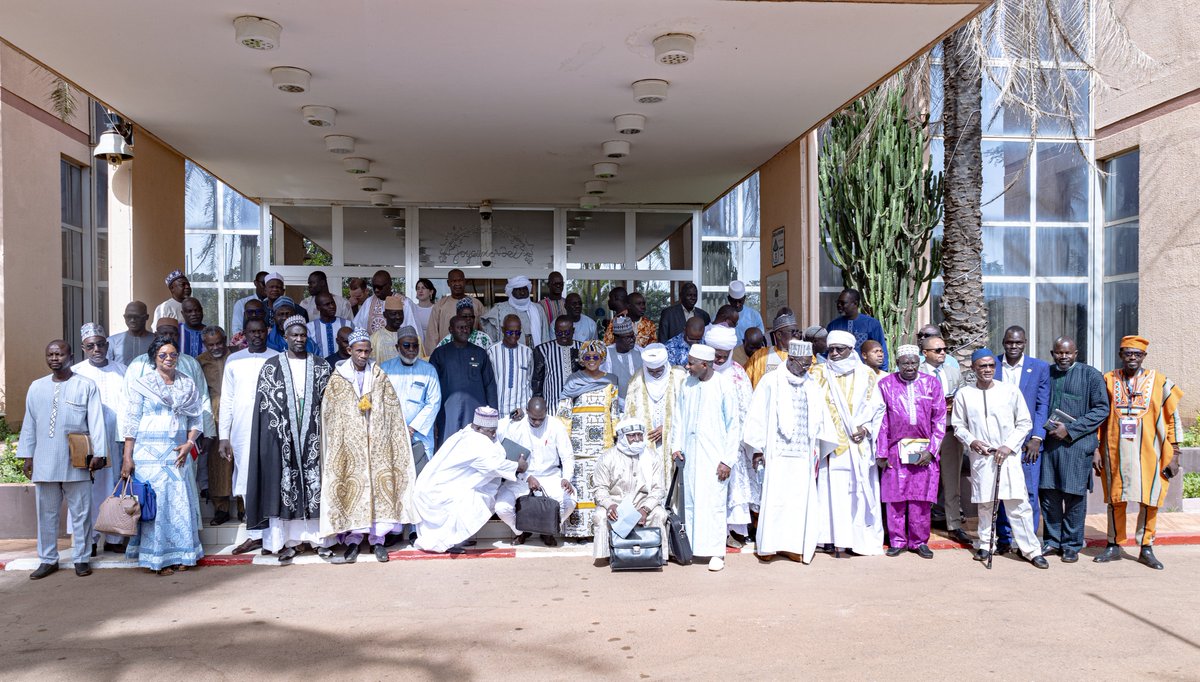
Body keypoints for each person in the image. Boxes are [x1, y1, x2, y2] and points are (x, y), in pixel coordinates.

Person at [320, 329, 419, 563]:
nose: (363, 355)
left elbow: (392, 411)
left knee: (377, 489)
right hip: (349, 446)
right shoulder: (338, 378)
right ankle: (353, 542)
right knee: (351, 486)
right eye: (359, 351)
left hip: (376, 445)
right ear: (349, 351)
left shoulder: (379, 376)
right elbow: (330, 414)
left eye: (367, 351)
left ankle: (377, 541)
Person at [245, 316, 333, 563]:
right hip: (282, 438)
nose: (298, 339)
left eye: (302, 335)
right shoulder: (271, 366)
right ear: (285, 337)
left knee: (316, 484)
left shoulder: (321, 366)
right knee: (285, 486)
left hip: (314, 436)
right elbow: (264, 409)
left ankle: (319, 540)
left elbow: (331, 404)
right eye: (293, 335)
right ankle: (288, 542)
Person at [744, 340, 840, 565]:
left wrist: (818, 448)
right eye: (803, 364)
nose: (806, 369)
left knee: (798, 503)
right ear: (791, 359)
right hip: (776, 453)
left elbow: (821, 420)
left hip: (802, 455)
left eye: (809, 365)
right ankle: (769, 545)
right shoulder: (770, 381)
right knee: (775, 499)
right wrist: (757, 450)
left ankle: (794, 546)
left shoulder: (811, 384)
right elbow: (757, 414)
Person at [19, 340, 108, 579]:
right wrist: (27, 455)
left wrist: (99, 453)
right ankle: (48, 559)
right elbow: (29, 424)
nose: (55, 358)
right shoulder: (36, 387)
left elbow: (96, 422)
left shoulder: (85, 385)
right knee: (46, 513)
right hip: (45, 459)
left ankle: (81, 558)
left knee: (81, 512)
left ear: (71, 356)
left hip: (76, 459)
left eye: (60, 354)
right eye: (50, 354)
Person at [1095, 335, 1185, 570]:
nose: (1132, 357)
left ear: (1144, 356)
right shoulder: (1108, 379)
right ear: (1120, 355)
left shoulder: (1160, 382)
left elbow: (1172, 418)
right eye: (1127, 353)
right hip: (1115, 449)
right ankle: (1114, 544)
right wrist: (1096, 447)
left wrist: (1175, 453)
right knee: (1116, 498)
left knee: (1150, 498)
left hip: (1150, 451)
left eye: (1137, 354)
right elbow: (1099, 416)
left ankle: (1146, 546)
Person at [953, 349, 1048, 569]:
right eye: (982, 366)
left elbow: (1024, 422)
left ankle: (1031, 550)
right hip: (982, 456)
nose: (987, 370)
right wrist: (972, 441)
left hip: (1008, 457)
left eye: (990, 366)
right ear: (973, 368)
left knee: (1018, 505)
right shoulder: (965, 394)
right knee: (986, 504)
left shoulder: (1010, 391)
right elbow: (958, 425)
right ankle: (986, 544)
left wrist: (1009, 446)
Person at [121, 336, 204, 575]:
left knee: (178, 501)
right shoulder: (143, 383)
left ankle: (181, 554)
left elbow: (196, 417)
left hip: (177, 452)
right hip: (148, 453)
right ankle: (157, 559)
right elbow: (132, 420)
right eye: (163, 355)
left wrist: (189, 443)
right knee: (155, 504)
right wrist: (128, 456)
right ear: (154, 358)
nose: (169, 359)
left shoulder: (187, 383)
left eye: (173, 355)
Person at [811, 330, 886, 557]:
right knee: (829, 492)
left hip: (859, 445)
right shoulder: (818, 373)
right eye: (830, 349)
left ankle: (856, 539)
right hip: (830, 446)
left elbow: (878, 408)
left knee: (858, 493)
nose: (833, 354)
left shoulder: (867, 374)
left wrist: (866, 429)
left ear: (850, 350)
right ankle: (831, 539)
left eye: (839, 349)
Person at [412, 407, 526, 554]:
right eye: (491, 432)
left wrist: (509, 419)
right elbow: (494, 465)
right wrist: (518, 466)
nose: (493, 435)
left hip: (436, 486)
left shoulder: (469, 430)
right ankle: (447, 543)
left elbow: (494, 428)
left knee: (476, 495)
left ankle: (455, 540)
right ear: (478, 428)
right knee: (477, 500)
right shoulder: (476, 442)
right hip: (436, 492)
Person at [670, 344, 740, 572]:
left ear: (706, 365)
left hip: (715, 457)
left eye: (691, 363)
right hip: (690, 455)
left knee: (713, 504)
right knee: (689, 501)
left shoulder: (723, 385)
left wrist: (727, 460)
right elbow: (678, 418)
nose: (687, 366)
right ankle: (690, 549)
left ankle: (716, 552)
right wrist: (676, 446)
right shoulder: (687, 384)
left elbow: (733, 426)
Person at [1040, 336, 1110, 563]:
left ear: (1076, 353)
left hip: (1077, 447)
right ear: (1053, 353)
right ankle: (1052, 541)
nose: (1063, 357)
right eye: (1059, 353)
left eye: (1067, 353)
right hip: (1049, 448)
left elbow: (1101, 409)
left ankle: (1071, 544)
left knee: (1074, 497)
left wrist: (1070, 429)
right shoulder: (1047, 374)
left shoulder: (1091, 375)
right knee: (1049, 494)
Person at [876, 345, 946, 559]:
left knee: (921, 499)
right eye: (905, 363)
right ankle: (897, 541)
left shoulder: (931, 384)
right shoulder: (886, 385)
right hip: (895, 450)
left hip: (924, 450)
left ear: (919, 362)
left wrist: (932, 450)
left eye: (913, 362)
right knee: (895, 497)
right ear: (897, 364)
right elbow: (882, 421)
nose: (910, 367)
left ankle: (919, 542)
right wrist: (882, 452)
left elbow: (940, 418)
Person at [219, 318, 278, 554]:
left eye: (261, 331)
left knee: (270, 478)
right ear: (244, 334)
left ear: (267, 331)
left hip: (272, 428)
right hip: (242, 429)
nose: (257, 335)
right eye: (252, 332)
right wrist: (224, 436)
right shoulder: (234, 360)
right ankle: (253, 533)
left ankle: (272, 534)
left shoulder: (277, 358)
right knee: (244, 478)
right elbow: (227, 399)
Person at [993, 325, 1050, 555]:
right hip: (1000, 442)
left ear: (1025, 342)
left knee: (1028, 492)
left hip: (1029, 443)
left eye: (1017, 343)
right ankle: (1004, 539)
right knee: (1001, 491)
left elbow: (1042, 405)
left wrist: (1037, 437)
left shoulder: (1039, 367)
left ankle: (1028, 541)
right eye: (1009, 342)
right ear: (1003, 342)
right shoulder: (992, 364)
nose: (1013, 346)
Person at [72, 325, 128, 555]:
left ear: (108, 345)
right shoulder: (76, 372)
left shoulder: (122, 370)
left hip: (116, 440)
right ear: (83, 348)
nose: (97, 349)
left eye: (101, 344)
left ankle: (114, 537)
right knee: (88, 490)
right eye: (91, 346)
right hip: (88, 441)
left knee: (114, 486)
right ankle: (90, 539)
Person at [557, 340, 620, 540]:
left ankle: (600, 531)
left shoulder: (611, 380)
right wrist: (563, 441)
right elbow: (564, 413)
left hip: (602, 443)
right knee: (579, 486)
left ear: (602, 358)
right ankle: (577, 532)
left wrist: (617, 440)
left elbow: (615, 412)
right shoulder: (572, 381)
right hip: (577, 444)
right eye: (587, 357)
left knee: (600, 486)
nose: (591, 360)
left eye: (596, 357)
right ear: (582, 359)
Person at [494, 397, 576, 546]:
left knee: (570, 502)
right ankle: (522, 531)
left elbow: (567, 456)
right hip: (522, 478)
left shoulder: (556, 425)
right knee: (501, 507)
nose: (537, 422)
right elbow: (508, 453)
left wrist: (566, 478)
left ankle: (547, 530)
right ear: (527, 411)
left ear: (546, 412)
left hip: (550, 476)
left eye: (541, 419)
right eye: (533, 419)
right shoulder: (516, 425)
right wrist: (527, 477)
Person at [123, 319, 216, 446]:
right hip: (147, 440)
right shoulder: (138, 364)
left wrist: (208, 433)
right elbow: (128, 404)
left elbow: (202, 398)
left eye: (172, 334)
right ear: (155, 335)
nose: (168, 337)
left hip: (185, 437)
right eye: (164, 334)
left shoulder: (191, 363)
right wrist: (126, 442)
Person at [704, 325, 756, 546]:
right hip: (707, 439)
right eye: (715, 355)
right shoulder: (700, 372)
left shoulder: (737, 373)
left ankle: (733, 532)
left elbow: (747, 409)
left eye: (723, 356)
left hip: (733, 441)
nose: (719, 359)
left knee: (733, 486)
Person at [592, 419, 667, 562]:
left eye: (640, 435)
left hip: (643, 505)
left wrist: (645, 509)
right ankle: (606, 556)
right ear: (622, 437)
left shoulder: (652, 457)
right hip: (616, 506)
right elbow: (599, 488)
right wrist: (610, 505)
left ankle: (656, 555)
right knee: (600, 515)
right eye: (632, 435)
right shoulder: (608, 457)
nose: (637, 439)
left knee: (659, 513)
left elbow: (659, 489)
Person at [919, 335, 969, 546]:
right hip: (924, 435)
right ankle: (919, 525)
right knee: (921, 480)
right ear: (925, 353)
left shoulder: (952, 371)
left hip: (949, 433)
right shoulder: (916, 371)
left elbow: (964, 397)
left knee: (951, 482)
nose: (942, 353)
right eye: (937, 350)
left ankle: (954, 525)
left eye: (944, 349)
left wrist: (954, 404)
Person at [623, 343, 686, 495]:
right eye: (652, 371)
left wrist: (667, 428)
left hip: (673, 442)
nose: (656, 374)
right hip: (645, 442)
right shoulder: (637, 380)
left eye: (660, 370)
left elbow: (688, 412)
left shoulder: (679, 377)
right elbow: (628, 416)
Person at [430, 316, 498, 448]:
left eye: (467, 327)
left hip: (475, 413)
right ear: (451, 330)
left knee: (475, 448)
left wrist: (493, 414)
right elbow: (432, 387)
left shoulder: (480, 353)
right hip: (447, 413)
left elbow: (489, 385)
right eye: (460, 328)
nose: (464, 330)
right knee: (448, 449)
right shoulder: (439, 353)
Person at [380, 326, 442, 471]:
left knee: (421, 476)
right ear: (397, 347)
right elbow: (379, 400)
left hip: (420, 434)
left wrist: (412, 428)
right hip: (392, 431)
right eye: (406, 345)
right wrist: (399, 427)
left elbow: (434, 402)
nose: (411, 349)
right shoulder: (385, 369)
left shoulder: (428, 370)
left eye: (415, 345)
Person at [196, 326, 234, 525]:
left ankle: (245, 506)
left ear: (226, 339)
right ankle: (221, 509)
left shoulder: (237, 356)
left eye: (219, 342)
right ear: (205, 345)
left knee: (242, 460)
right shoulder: (200, 362)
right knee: (217, 462)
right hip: (214, 417)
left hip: (239, 414)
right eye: (211, 344)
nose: (216, 347)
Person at [826, 288, 889, 370]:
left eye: (843, 303)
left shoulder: (872, 324)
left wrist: (883, 371)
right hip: (838, 371)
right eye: (838, 302)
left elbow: (881, 348)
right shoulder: (833, 325)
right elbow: (827, 351)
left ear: (855, 303)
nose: (839, 305)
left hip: (865, 372)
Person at [423, 269, 484, 352]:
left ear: (465, 282)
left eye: (460, 280)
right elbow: (432, 335)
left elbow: (484, 331)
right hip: (446, 354)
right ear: (448, 283)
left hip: (473, 353)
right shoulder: (440, 306)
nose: (457, 284)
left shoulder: (476, 304)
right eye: (454, 281)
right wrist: (433, 358)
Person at [487, 314, 533, 418]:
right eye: (510, 332)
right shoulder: (492, 352)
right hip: (499, 410)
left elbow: (530, 382)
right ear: (503, 330)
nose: (514, 336)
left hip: (521, 411)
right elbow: (488, 383)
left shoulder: (527, 352)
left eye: (517, 332)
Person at [532, 315, 582, 408]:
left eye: (567, 332)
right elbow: (537, 381)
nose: (563, 336)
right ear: (555, 331)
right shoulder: (543, 349)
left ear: (573, 331)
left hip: (578, 405)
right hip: (553, 406)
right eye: (559, 333)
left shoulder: (582, 348)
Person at [483, 276, 546, 347]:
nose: (522, 293)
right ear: (511, 291)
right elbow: (487, 328)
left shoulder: (538, 309)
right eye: (518, 289)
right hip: (507, 353)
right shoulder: (499, 309)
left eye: (525, 289)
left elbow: (545, 334)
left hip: (535, 353)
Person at [353, 270, 416, 336]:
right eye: (374, 287)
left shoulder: (405, 303)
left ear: (390, 284)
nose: (376, 290)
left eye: (380, 287)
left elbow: (413, 330)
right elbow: (357, 328)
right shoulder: (369, 302)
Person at [745, 311, 799, 388]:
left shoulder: (804, 356)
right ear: (779, 335)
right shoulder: (760, 356)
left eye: (797, 331)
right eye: (792, 332)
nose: (796, 335)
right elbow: (745, 382)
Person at [602, 316, 643, 410]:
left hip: (640, 406)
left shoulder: (641, 352)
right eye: (627, 337)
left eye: (633, 335)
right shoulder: (607, 355)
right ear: (616, 338)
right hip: (616, 407)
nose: (632, 339)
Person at [307, 292, 353, 359]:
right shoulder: (309, 328)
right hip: (319, 366)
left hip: (344, 366)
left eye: (333, 303)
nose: (332, 306)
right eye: (327, 304)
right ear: (318, 308)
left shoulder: (348, 324)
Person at [369, 294, 409, 364]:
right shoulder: (374, 339)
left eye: (400, 313)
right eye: (394, 314)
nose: (398, 317)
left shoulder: (410, 337)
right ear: (385, 315)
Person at [230, 271, 268, 336]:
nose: (267, 287)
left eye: (269, 284)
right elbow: (237, 331)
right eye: (264, 283)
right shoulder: (241, 303)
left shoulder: (273, 304)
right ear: (255, 283)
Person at [539, 271, 568, 341]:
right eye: (555, 284)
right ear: (548, 285)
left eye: (561, 284)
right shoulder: (540, 305)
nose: (558, 286)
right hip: (547, 343)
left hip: (566, 342)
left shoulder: (568, 303)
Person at [411, 278, 437, 344]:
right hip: (416, 345)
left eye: (423, 288)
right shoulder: (412, 309)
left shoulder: (436, 309)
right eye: (418, 288)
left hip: (433, 345)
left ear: (431, 291)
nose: (420, 291)